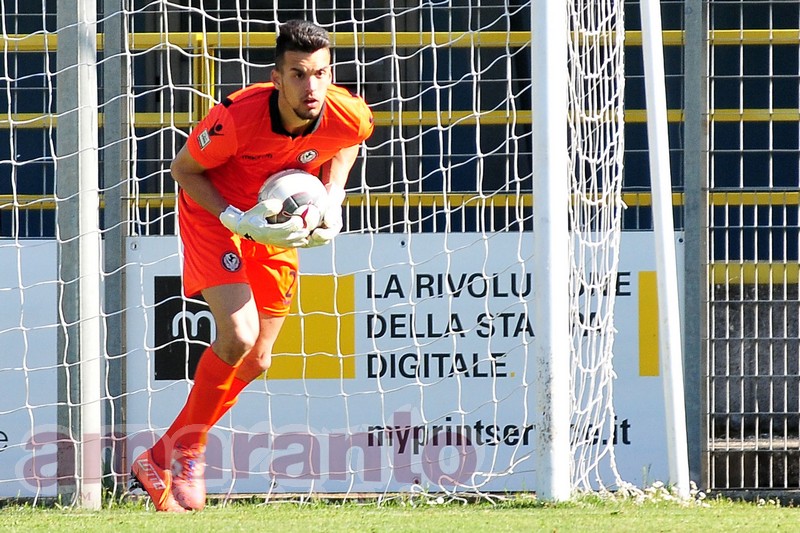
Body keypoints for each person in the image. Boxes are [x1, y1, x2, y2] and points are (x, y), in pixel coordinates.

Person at [130, 19, 374, 512]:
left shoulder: (345, 112)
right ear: (277, 77)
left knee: (258, 358)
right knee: (237, 336)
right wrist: (232, 217)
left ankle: (158, 457)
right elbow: (183, 170)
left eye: (321, 74)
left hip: (276, 220)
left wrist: (333, 192)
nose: (312, 87)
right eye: (299, 75)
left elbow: (351, 137)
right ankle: (191, 451)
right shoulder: (237, 118)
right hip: (216, 213)